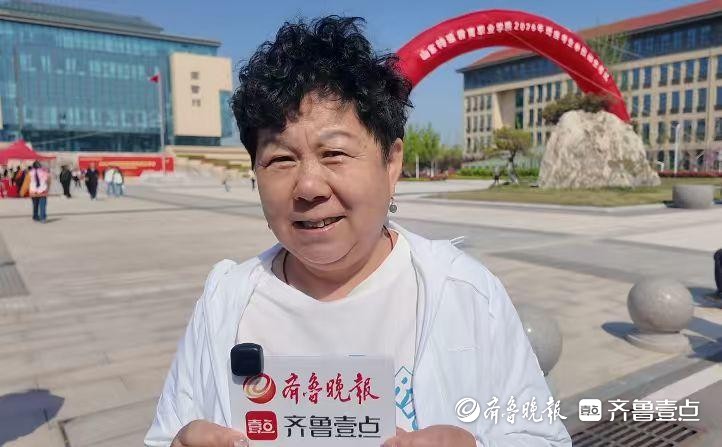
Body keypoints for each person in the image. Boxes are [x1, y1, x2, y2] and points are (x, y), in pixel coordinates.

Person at [145, 16, 571, 447]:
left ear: (391, 162)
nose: (308, 187)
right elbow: (168, 433)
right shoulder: (224, 302)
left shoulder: (465, 292)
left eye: (334, 153)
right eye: (280, 159)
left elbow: (543, 437)